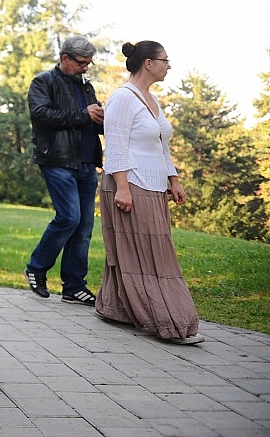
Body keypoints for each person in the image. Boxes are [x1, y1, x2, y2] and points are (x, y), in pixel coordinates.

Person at [95, 42, 203, 344]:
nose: (168, 65)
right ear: (148, 63)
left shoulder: (152, 99)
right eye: (164, 60)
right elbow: (114, 147)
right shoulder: (122, 98)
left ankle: (114, 307)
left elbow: (160, 145)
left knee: (138, 250)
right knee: (149, 256)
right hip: (130, 184)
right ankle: (169, 321)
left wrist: (174, 180)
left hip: (154, 186)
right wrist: (123, 189)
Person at [25, 35, 104, 305]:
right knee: (69, 217)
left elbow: (92, 120)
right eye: (82, 62)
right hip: (57, 161)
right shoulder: (43, 82)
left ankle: (73, 286)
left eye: (89, 63)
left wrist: (104, 120)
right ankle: (36, 267)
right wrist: (84, 114)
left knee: (84, 226)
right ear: (65, 58)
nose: (86, 67)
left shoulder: (86, 86)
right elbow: (41, 115)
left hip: (86, 164)